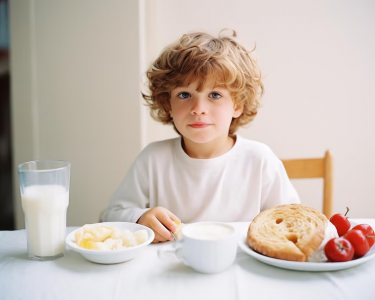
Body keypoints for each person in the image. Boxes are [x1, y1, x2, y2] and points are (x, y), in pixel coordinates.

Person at [102, 29, 300, 243]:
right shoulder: (153, 159)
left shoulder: (260, 160)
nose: (198, 108)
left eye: (215, 95)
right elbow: (110, 217)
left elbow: (291, 222)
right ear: (168, 104)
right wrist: (140, 218)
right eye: (184, 95)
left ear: (238, 104)